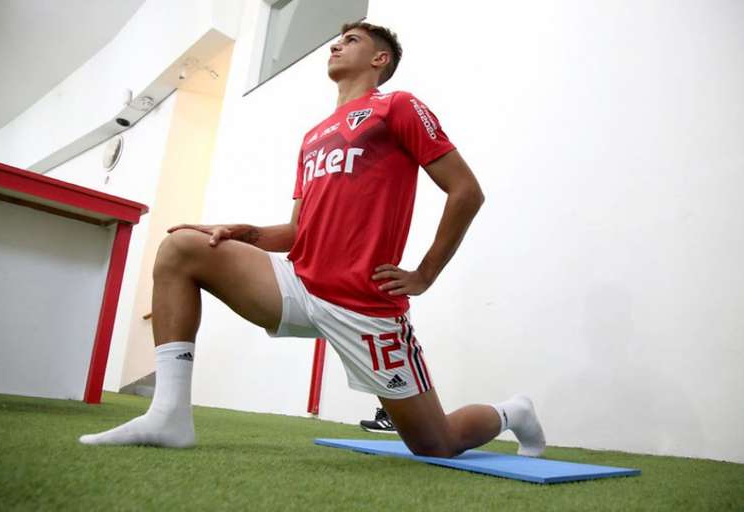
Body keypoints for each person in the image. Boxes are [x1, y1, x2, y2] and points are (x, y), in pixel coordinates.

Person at [80, 21, 545, 459]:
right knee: (181, 248)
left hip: (364, 303)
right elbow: (298, 231)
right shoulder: (312, 137)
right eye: (338, 40)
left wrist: (425, 273)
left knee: (435, 443)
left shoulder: (396, 106)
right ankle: (169, 416)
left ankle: (512, 412)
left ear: (380, 59)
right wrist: (242, 232)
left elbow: (466, 191)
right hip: (300, 283)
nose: (337, 44)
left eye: (354, 40)